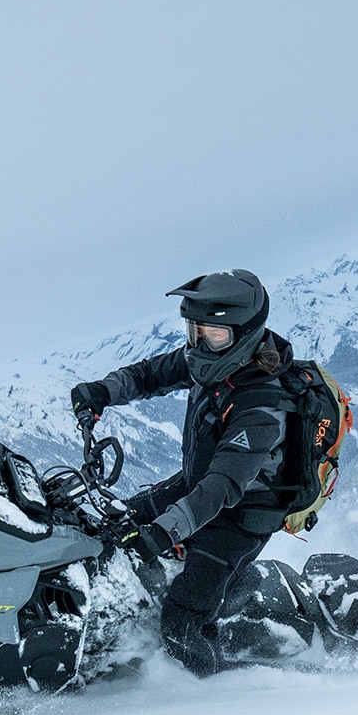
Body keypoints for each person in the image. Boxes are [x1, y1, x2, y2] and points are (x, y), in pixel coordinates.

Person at [70, 269, 295, 676]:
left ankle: (207, 700)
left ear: (243, 333)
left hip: (239, 515)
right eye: (195, 330)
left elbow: (223, 487)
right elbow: (151, 375)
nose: (201, 343)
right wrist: (103, 391)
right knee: (110, 527)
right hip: (197, 485)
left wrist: (164, 531)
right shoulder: (209, 360)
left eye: (214, 333)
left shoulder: (262, 405)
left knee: (181, 621)